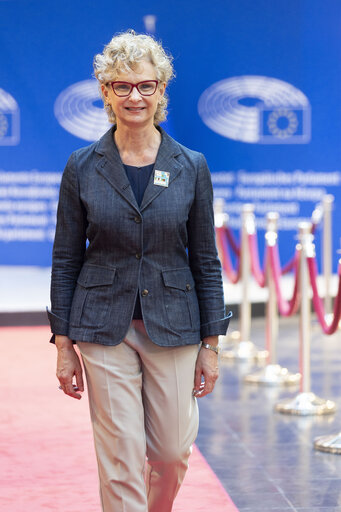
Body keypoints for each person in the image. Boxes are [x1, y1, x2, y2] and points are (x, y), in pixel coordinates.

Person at [48, 30, 231, 512]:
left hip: (175, 323)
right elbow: (66, 257)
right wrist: (64, 345)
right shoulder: (82, 166)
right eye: (123, 86)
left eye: (146, 86)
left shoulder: (191, 166)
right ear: (105, 91)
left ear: (161, 91)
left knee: (171, 454)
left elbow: (205, 259)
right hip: (101, 325)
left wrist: (212, 345)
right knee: (121, 459)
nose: (136, 97)